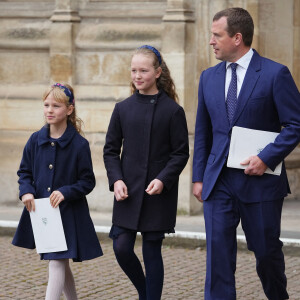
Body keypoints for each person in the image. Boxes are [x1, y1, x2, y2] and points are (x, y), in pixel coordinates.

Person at [192, 7, 300, 300]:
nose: (211, 41)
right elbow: (203, 132)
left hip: (261, 183)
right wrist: (198, 176)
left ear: (237, 38)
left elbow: (295, 125)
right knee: (218, 261)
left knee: (266, 253)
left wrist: (266, 157)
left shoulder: (275, 74)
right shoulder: (208, 78)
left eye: (217, 35)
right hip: (218, 183)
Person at [103, 45, 189, 299]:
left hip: (157, 194)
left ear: (158, 72)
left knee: (152, 251)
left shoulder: (173, 111)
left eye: (143, 70)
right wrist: (116, 179)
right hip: (127, 191)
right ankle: (146, 292)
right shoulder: (122, 108)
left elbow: (180, 153)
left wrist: (163, 179)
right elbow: (110, 151)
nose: (137, 75)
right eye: (134, 70)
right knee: (121, 247)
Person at [12, 83, 103, 300]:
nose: (49, 110)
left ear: (69, 109)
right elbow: (24, 171)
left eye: (56, 106)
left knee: (57, 261)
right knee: (60, 261)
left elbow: (87, 181)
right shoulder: (35, 140)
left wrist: (66, 192)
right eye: (46, 105)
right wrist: (26, 192)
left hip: (68, 214)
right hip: (43, 213)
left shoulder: (79, 145)